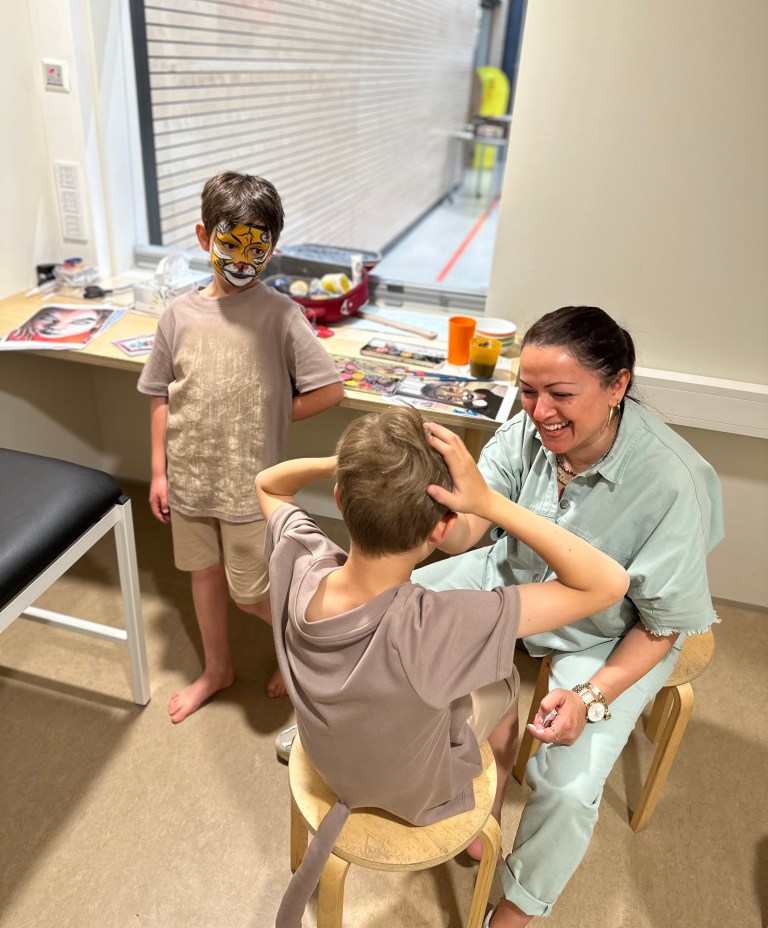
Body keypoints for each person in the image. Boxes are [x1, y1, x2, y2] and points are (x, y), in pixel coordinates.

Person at [256, 406, 629, 928]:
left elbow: (269, 484)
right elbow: (607, 584)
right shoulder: (439, 623)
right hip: (414, 791)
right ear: (442, 528)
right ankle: (486, 811)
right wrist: (491, 503)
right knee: (504, 680)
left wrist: (347, 466)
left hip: (328, 760)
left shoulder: (302, 560)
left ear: (340, 498)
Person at [414, 305, 724, 927]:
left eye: (560, 393)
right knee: (399, 611)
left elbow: (661, 627)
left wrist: (591, 695)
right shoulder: (527, 430)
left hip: (611, 631)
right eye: (528, 392)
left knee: (566, 787)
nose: (540, 411)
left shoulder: (674, 481)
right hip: (514, 575)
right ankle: (481, 778)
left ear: (617, 385)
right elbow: (477, 524)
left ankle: (517, 908)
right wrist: (447, 523)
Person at [137, 171, 343, 723]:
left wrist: (271, 409)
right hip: (189, 480)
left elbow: (330, 390)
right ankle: (217, 669)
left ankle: (303, 655)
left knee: (252, 593)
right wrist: (158, 472)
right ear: (205, 237)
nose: (243, 261)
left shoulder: (281, 315)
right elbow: (159, 394)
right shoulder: (177, 315)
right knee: (202, 575)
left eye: (258, 248)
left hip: (251, 486)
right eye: (231, 244)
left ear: (273, 248)